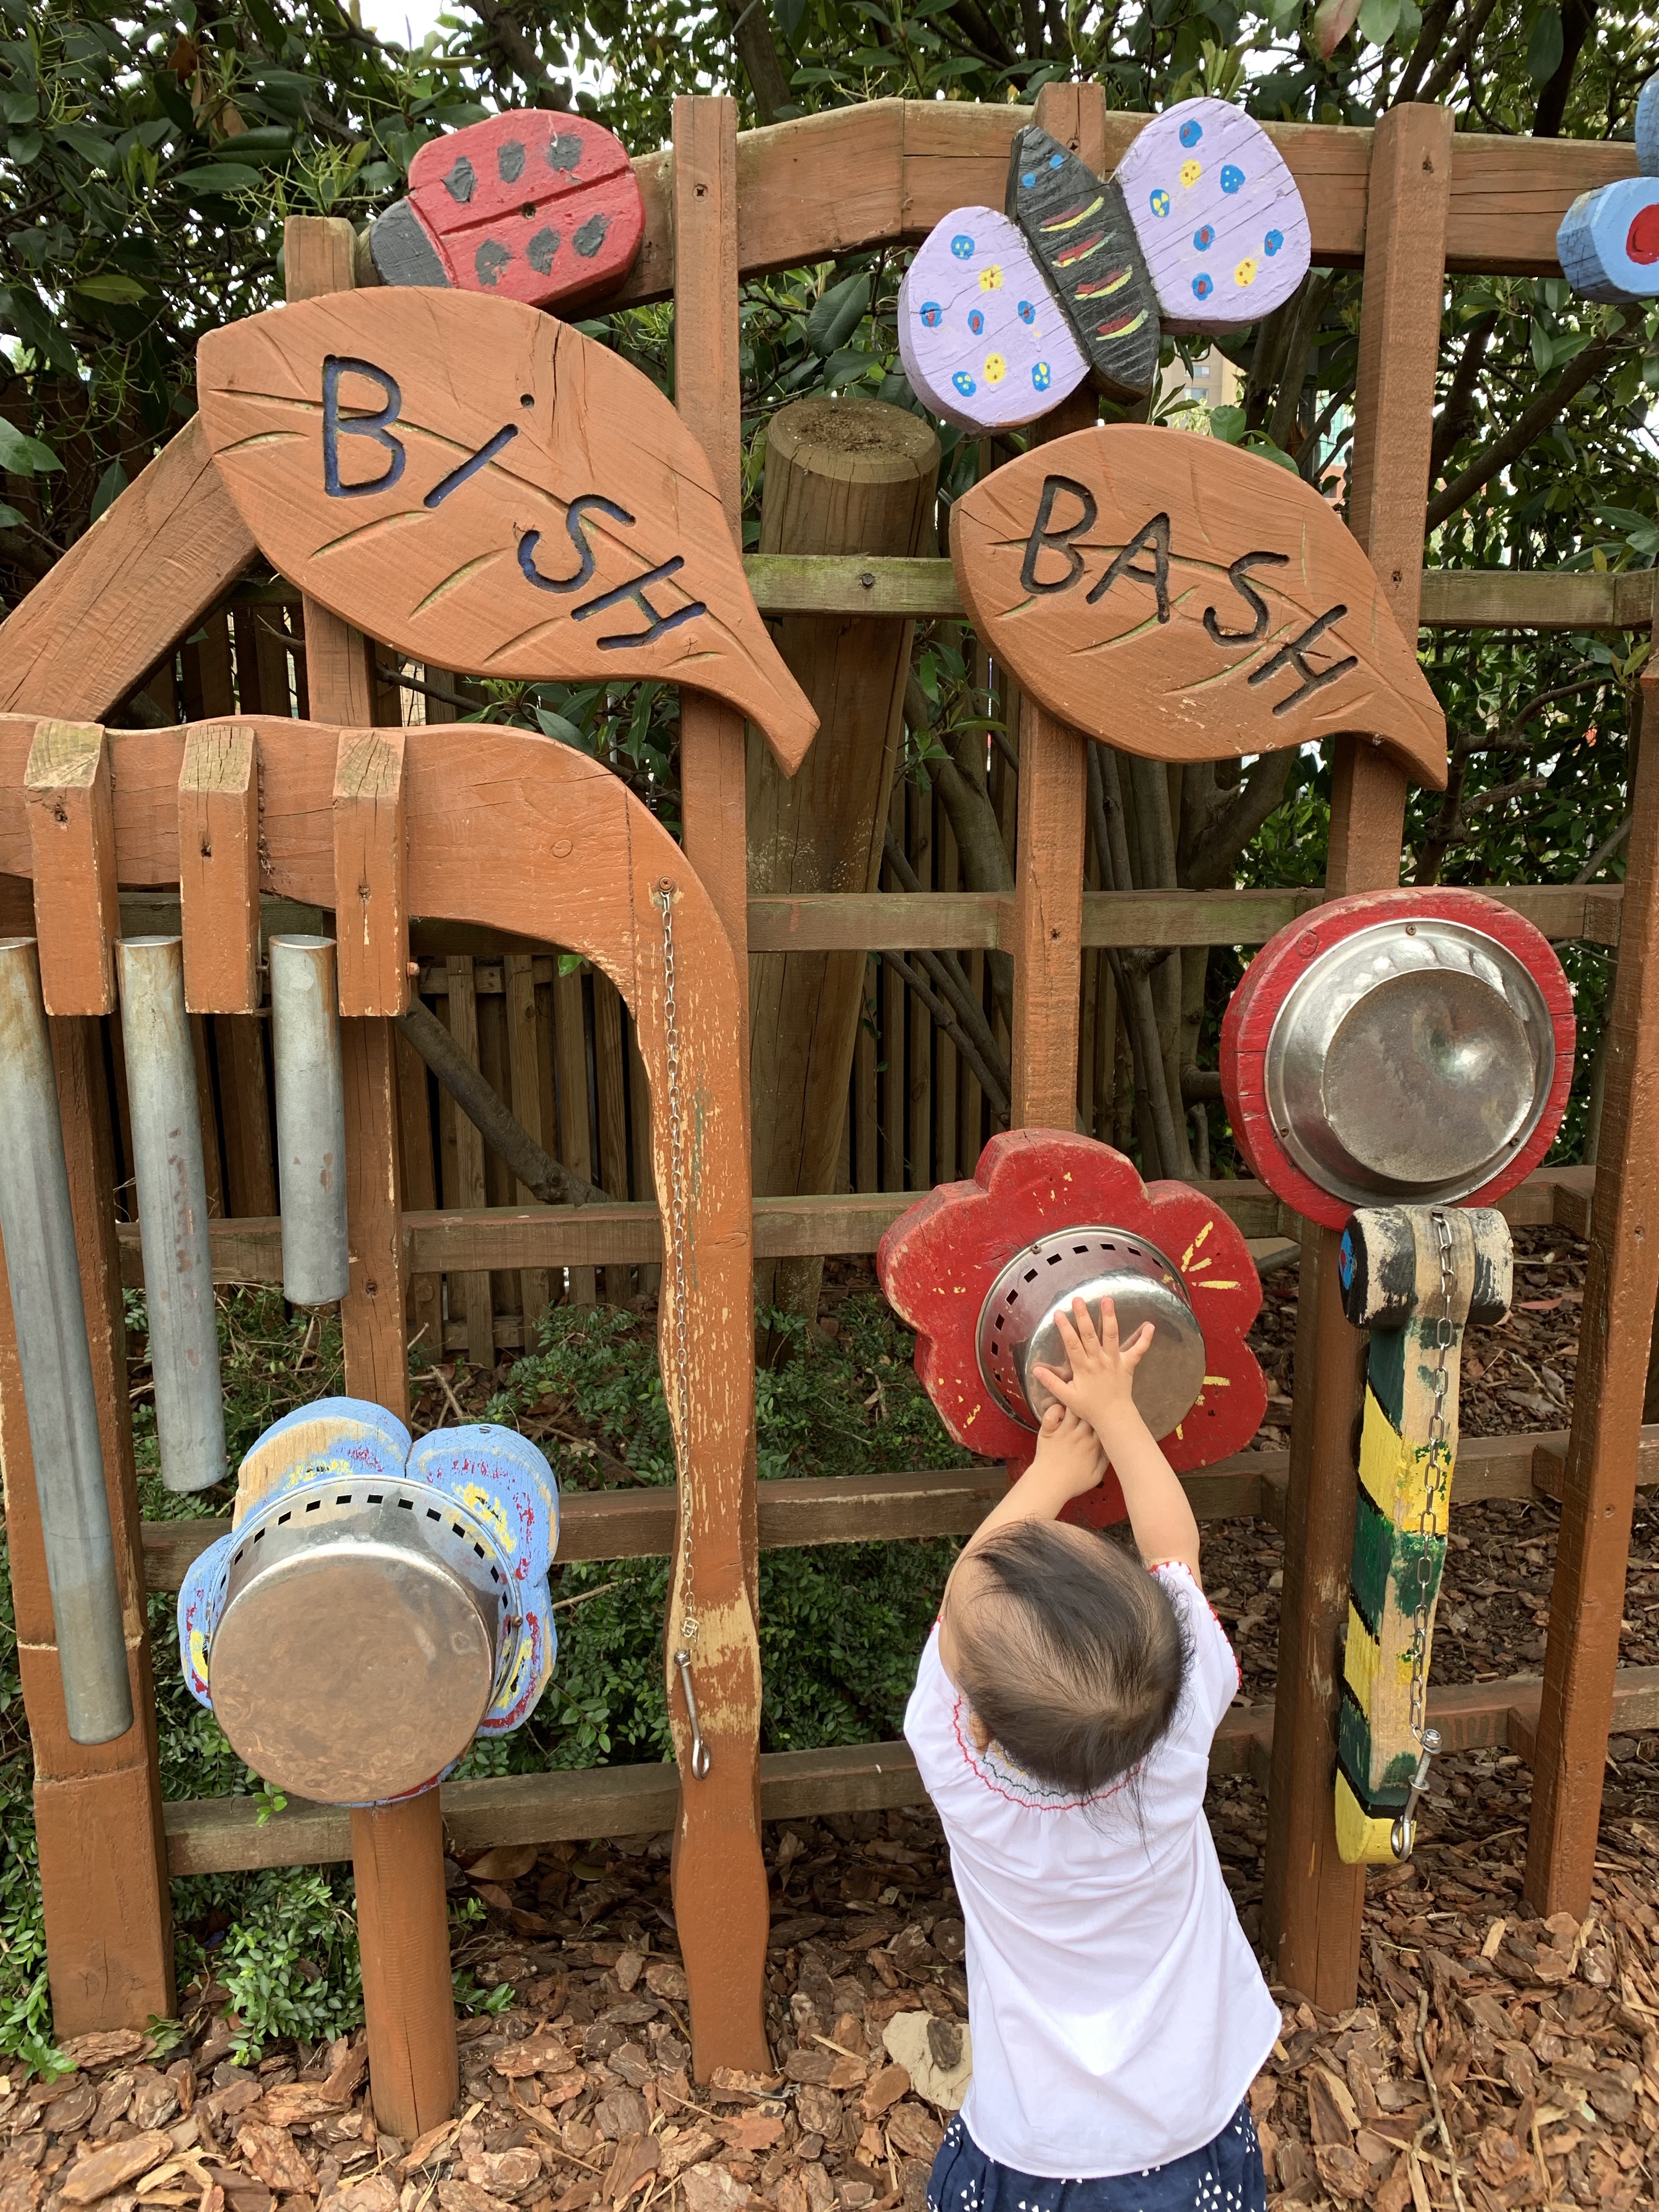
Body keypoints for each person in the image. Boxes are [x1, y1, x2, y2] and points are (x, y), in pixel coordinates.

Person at [905, 1294, 1277, 2212]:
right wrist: (1120, 1415)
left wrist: (1052, 1473)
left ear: (977, 1721)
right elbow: (1175, 1550)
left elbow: (963, 1600)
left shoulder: (959, 1768)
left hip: (1032, 2147)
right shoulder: (1175, 1734)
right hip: (1188, 2131)